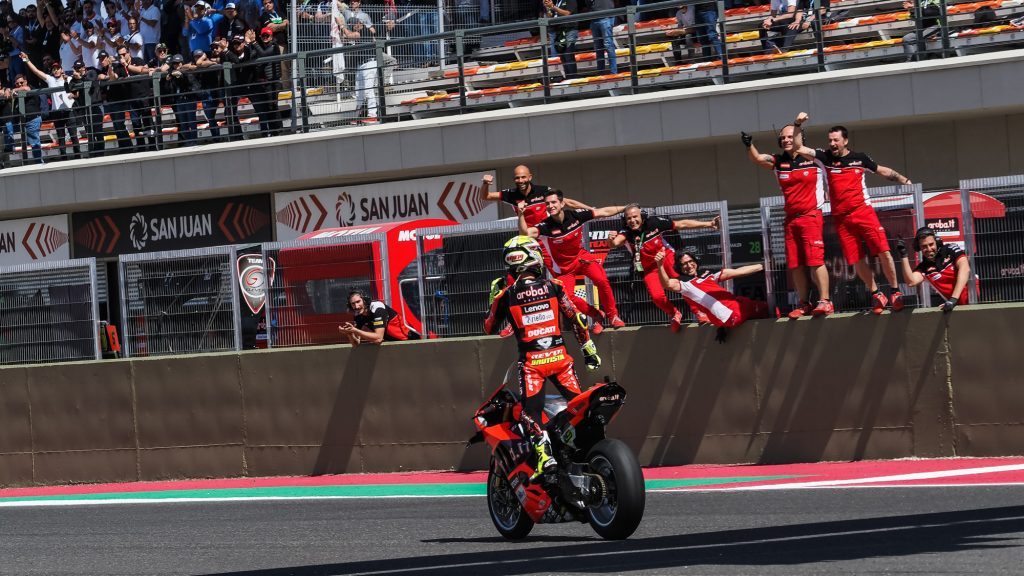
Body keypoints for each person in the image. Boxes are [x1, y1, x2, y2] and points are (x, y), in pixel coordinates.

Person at [483, 236, 600, 478]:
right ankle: (582, 446)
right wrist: (588, 349)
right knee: (578, 407)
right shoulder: (554, 285)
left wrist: (493, 298)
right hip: (560, 360)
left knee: (530, 412)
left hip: (532, 365)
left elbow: (489, 327)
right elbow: (577, 319)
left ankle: (545, 455)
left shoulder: (505, 295)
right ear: (532, 256)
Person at [794, 117, 912, 315]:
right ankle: (876, 293)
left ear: (845, 140)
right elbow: (799, 147)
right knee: (856, 259)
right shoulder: (824, 158)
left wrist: (904, 180)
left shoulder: (860, 158)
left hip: (863, 212)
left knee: (883, 251)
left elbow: (883, 170)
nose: (832, 144)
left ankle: (895, 292)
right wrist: (798, 125)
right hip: (841, 219)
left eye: (836, 140)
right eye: (830, 140)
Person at [478, 167, 605, 330]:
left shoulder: (544, 191)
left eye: (523, 177)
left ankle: (594, 315)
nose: (520, 181)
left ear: (530, 177)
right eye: (517, 178)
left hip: (547, 242)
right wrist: (485, 184)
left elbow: (569, 202)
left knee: (563, 291)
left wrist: (591, 210)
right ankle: (514, 321)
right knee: (514, 280)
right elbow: (485, 196)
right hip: (527, 244)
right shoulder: (511, 195)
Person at [742, 112, 832, 318]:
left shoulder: (814, 158)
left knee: (815, 260)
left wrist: (797, 124)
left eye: (790, 136)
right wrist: (749, 144)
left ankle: (825, 301)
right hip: (791, 220)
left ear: (799, 137)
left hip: (811, 216)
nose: (786, 140)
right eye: (782, 137)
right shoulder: (778, 161)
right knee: (795, 264)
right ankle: (804, 303)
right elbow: (757, 158)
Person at [519, 189, 628, 330]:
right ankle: (596, 315)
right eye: (547, 204)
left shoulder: (576, 216)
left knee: (602, 280)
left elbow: (603, 212)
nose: (550, 206)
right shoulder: (545, 226)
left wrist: (625, 208)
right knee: (566, 298)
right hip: (564, 268)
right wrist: (521, 214)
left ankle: (613, 316)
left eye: (554, 202)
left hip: (581, 258)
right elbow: (524, 234)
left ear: (562, 203)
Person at [607, 205, 720, 331]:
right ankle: (674, 314)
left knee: (685, 284)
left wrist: (709, 224)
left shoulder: (654, 223)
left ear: (642, 216)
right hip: (649, 268)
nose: (632, 221)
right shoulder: (626, 232)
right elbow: (614, 243)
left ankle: (699, 311)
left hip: (666, 257)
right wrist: (610, 240)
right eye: (629, 218)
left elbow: (681, 224)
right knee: (657, 297)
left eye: (635, 217)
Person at [655, 249, 769, 342]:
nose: (689, 266)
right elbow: (667, 284)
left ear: (695, 261)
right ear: (679, 267)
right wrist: (660, 265)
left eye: (690, 261)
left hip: (729, 315)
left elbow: (736, 272)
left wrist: (763, 266)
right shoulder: (683, 283)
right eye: (684, 264)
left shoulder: (707, 273)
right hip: (734, 314)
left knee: (742, 300)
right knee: (767, 308)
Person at [895, 227, 970, 312]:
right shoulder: (924, 267)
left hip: (974, 299)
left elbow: (965, 268)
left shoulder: (950, 249)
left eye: (931, 244)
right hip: (956, 307)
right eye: (924, 246)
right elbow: (911, 282)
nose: (929, 249)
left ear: (937, 242)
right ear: (918, 247)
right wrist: (903, 255)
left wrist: (953, 299)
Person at [20, 51, 77, 160]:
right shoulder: (50, 80)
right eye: (54, 69)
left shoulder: (69, 79)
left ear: (61, 69)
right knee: (61, 139)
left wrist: (72, 94)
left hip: (69, 110)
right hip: (57, 112)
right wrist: (26, 60)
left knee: (74, 136)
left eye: (57, 68)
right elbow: (36, 71)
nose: (56, 70)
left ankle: (78, 157)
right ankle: (64, 160)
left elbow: (78, 87)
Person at [339, 290, 420, 345]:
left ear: (364, 300)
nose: (356, 306)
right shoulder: (358, 315)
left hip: (409, 342)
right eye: (353, 304)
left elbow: (378, 339)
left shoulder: (377, 309)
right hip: (392, 345)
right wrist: (349, 333)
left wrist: (355, 330)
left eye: (358, 302)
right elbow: (356, 343)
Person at [541, 0, 579, 80]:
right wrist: (548, 8)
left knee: (568, 55)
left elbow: (567, 13)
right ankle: (568, 78)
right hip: (559, 32)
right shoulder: (557, 1)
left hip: (570, 30)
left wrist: (553, 7)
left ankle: (573, 78)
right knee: (563, 57)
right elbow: (550, 17)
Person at [589, 0, 616, 74]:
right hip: (594, 18)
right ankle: (601, 73)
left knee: (608, 45)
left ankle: (613, 73)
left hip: (606, 16)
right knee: (598, 47)